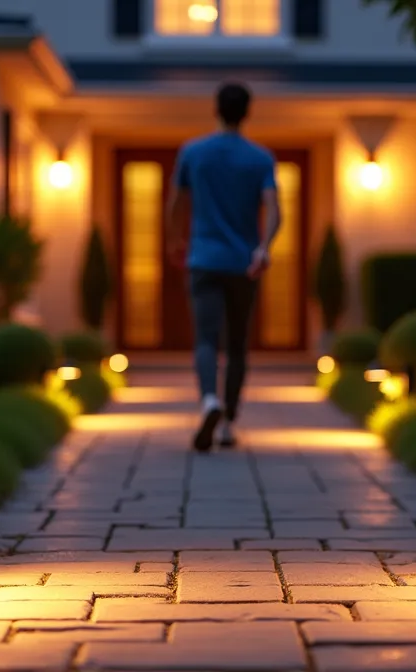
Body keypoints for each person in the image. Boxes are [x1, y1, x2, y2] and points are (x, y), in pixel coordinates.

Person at [165, 81, 281, 453]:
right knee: (237, 345)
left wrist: (174, 240)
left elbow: (177, 204)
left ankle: (209, 401)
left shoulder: (193, 152)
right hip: (243, 263)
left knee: (205, 339)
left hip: (203, 259)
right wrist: (264, 247)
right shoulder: (260, 158)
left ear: (216, 109)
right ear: (247, 113)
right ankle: (229, 422)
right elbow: (275, 209)